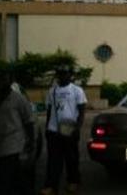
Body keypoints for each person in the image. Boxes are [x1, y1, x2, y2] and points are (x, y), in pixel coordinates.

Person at [0, 72, 36, 195]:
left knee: (4, 171)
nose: (1, 82)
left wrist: (31, 140)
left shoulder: (18, 99)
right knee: (16, 172)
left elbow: (29, 120)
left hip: (14, 139)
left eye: (5, 80)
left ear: (11, 82)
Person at [41, 66, 87, 195]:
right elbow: (49, 110)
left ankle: (73, 181)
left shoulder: (77, 90)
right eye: (60, 74)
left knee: (71, 158)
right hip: (53, 130)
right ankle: (51, 185)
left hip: (69, 129)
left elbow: (82, 111)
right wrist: (47, 128)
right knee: (53, 159)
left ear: (70, 75)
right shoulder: (52, 91)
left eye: (65, 73)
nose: (62, 76)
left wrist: (77, 128)